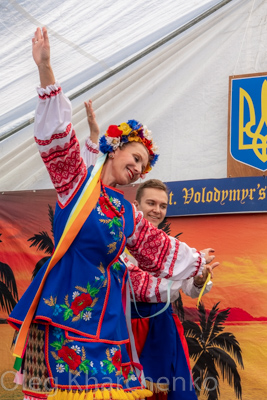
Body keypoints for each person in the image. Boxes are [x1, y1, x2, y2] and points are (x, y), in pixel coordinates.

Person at [8, 27, 214, 400]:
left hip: (108, 324)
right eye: (136, 159)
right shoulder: (75, 182)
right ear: (114, 148)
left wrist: (197, 264)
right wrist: (46, 70)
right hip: (64, 316)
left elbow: (157, 247)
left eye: (143, 167)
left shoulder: (123, 210)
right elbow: (56, 135)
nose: (137, 170)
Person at [82, 106, 219, 399]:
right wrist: (193, 264)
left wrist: (198, 277)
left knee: (169, 393)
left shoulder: (168, 250)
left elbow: (193, 290)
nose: (157, 210)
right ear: (138, 205)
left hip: (160, 326)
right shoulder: (119, 236)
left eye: (163, 205)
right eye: (151, 203)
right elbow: (137, 286)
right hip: (123, 323)